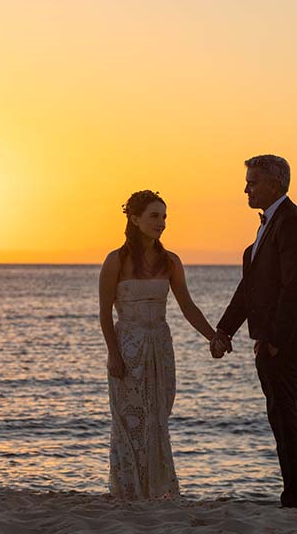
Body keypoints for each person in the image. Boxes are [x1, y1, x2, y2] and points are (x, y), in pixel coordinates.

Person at [211, 155, 297, 508]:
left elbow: (295, 288)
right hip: (280, 339)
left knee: (286, 416)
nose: (246, 189)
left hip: (287, 342)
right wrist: (225, 329)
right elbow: (250, 288)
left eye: (253, 182)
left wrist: (276, 339)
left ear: (274, 184)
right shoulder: (272, 223)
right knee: (292, 412)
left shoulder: (291, 223)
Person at [99, 190, 217, 500]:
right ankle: (128, 491)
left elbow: (187, 306)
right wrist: (113, 354)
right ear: (135, 219)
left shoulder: (171, 261)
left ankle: (156, 489)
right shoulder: (116, 261)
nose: (161, 223)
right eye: (154, 216)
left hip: (160, 348)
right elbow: (104, 313)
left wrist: (214, 336)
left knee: (157, 420)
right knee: (129, 421)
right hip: (128, 349)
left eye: (164, 217)